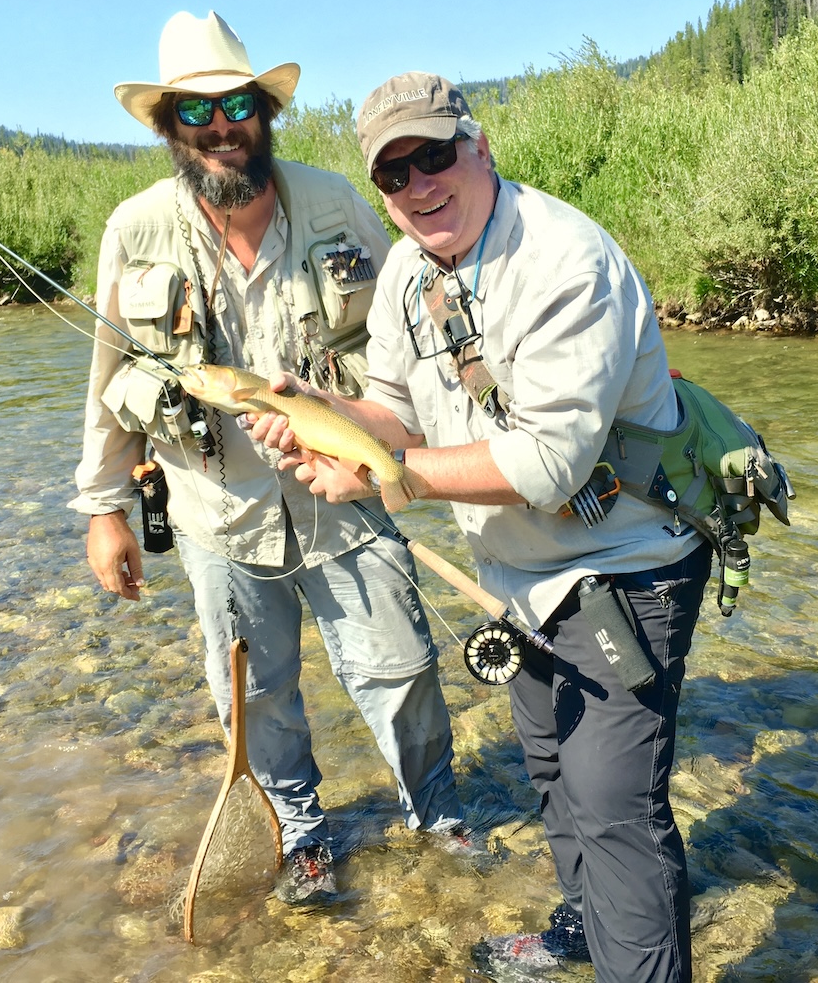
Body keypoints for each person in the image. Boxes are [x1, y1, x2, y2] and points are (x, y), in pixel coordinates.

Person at [248, 73, 713, 981]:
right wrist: (317, 410)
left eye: (434, 156)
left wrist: (382, 477)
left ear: (480, 148)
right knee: (554, 774)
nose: (419, 185)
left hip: (625, 569)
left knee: (617, 810)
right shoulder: (406, 276)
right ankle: (585, 931)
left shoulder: (566, 262)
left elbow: (547, 466)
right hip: (520, 581)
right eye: (394, 173)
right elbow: (389, 407)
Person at [69, 20, 468, 902]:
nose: (221, 125)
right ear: (170, 124)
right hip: (216, 511)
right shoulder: (133, 230)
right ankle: (303, 834)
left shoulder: (338, 204)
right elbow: (109, 380)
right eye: (197, 109)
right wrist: (104, 510)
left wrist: (441, 445)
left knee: (399, 668)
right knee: (256, 695)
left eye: (237, 104)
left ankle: (436, 815)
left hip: (351, 492)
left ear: (265, 111)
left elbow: (417, 338)